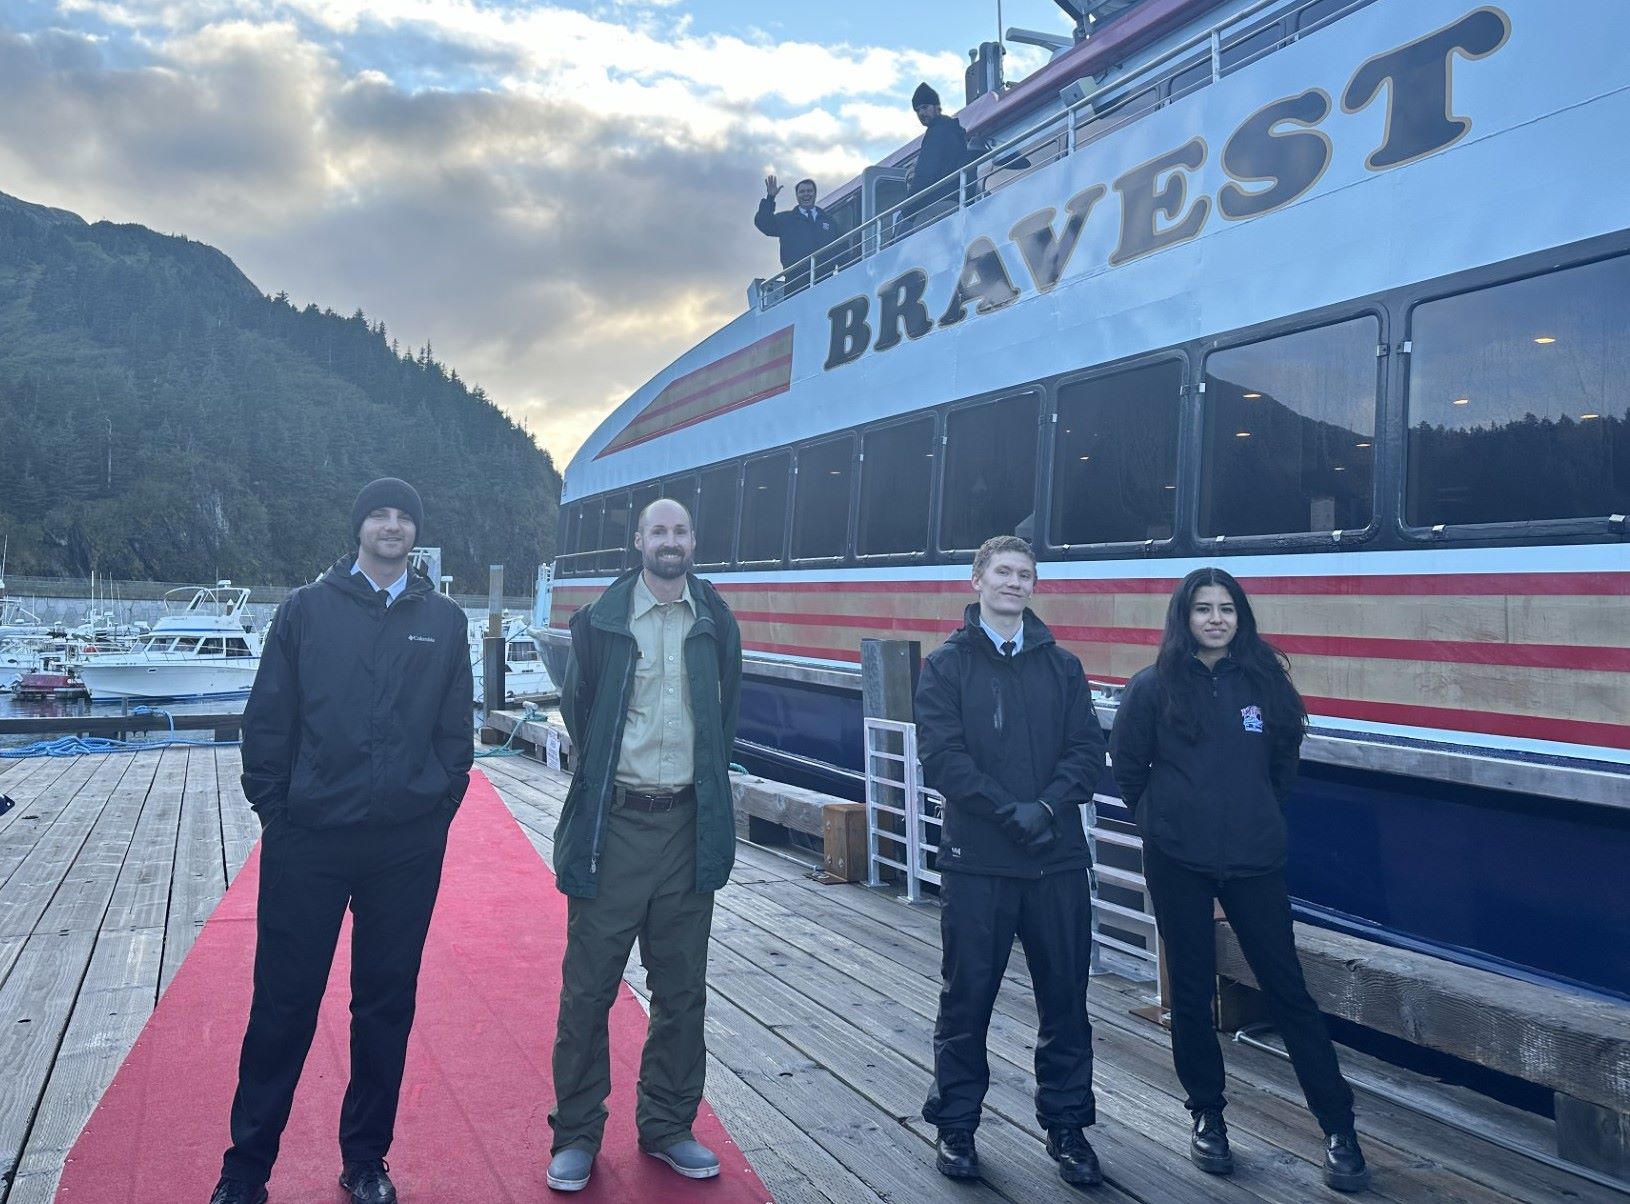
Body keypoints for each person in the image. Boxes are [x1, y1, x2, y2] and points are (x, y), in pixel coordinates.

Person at [210, 478, 474, 1204]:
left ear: (416, 533)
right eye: (379, 515)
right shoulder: (306, 611)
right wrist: (278, 814)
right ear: (359, 528)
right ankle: (245, 1171)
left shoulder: (444, 622)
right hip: (311, 842)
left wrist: (434, 812)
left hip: (404, 847)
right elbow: (267, 722)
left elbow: (457, 734)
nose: (392, 526)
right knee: (283, 1004)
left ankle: (366, 1162)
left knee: (385, 1006)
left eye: (404, 516)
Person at [1109, 567, 1370, 1193]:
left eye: (1227, 608)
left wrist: (1255, 818)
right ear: (1185, 618)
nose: (1216, 619)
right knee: (1193, 997)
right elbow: (1126, 766)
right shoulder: (1152, 688)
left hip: (1254, 861)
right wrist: (1162, 825)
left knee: (1290, 994)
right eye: (1203, 609)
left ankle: (1338, 1129)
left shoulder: (1265, 686)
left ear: (1240, 617)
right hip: (1179, 862)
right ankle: (1208, 1118)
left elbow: (1283, 765)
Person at [545, 498, 743, 1193]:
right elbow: (582, 709)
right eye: (658, 531)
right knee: (587, 991)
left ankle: (666, 1126)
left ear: (693, 541)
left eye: (680, 530)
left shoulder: (715, 621)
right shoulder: (601, 622)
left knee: (682, 992)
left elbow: (724, 713)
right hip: (616, 826)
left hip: (688, 826)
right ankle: (575, 1135)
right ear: (638, 541)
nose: (669, 541)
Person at [913, 535, 1107, 1187]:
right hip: (980, 863)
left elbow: (1086, 749)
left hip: (1056, 862)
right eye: (1003, 572)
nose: (1014, 583)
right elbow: (942, 756)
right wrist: (1008, 809)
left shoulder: (1064, 667)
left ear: (1033, 585)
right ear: (977, 579)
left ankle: (1068, 1128)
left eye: (1025, 574)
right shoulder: (946, 666)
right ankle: (958, 1128)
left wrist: (1047, 809)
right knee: (967, 1000)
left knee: (1066, 1003)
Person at [903, 81, 974, 229]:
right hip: (955, 200)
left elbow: (926, 171)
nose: (921, 113)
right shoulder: (952, 130)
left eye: (925, 107)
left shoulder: (938, 132)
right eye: (918, 110)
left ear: (936, 107)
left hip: (940, 203)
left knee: (911, 240)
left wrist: (908, 208)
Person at [754, 175, 844, 293]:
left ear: (815, 194)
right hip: (795, 283)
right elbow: (763, 223)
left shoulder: (829, 221)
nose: (806, 194)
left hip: (826, 280)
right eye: (802, 191)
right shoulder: (786, 220)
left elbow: (841, 248)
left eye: (809, 191)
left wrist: (844, 275)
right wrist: (770, 198)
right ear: (797, 195)